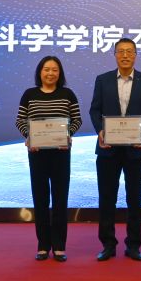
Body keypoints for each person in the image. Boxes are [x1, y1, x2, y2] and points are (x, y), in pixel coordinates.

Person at [88, 38, 141, 262]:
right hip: (107, 148)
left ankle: (133, 245)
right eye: (121, 51)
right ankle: (108, 245)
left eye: (129, 51)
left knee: (134, 199)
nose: (125, 55)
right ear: (115, 55)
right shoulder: (103, 80)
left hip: (135, 149)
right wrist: (100, 131)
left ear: (135, 55)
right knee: (107, 198)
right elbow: (94, 110)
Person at [15, 55, 82, 263]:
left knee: (60, 200)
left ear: (60, 73)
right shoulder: (29, 94)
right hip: (37, 154)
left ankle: (59, 246)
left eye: (54, 70)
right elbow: (20, 120)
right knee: (41, 199)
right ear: (40, 72)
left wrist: (67, 134)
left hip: (61, 154)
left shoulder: (68, 94)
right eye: (46, 69)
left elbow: (77, 120)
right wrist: (29, 136)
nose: (50, 73)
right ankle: (43, 245)